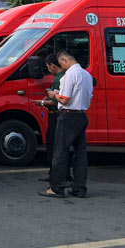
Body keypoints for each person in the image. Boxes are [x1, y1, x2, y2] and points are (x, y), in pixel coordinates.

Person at [39, 50, 93, 199]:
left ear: (64, 61)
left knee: (60, 153)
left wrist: (54, 95)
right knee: (80, 154)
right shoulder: (87, 75)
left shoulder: (69, 75)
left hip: (68, 116)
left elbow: (64, 100)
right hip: (82, 115)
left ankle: (57, 188)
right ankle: (79, 188)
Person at [37, 53, 70, 184]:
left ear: (52, 65)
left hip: (56, 115)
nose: (47, 69)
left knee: (54, 147)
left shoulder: (59, 79)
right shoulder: (63, 76)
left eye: (48, 66)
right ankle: (57, 174)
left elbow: (58, 101)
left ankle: (58, 176)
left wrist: (42, 103)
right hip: (59, 114)